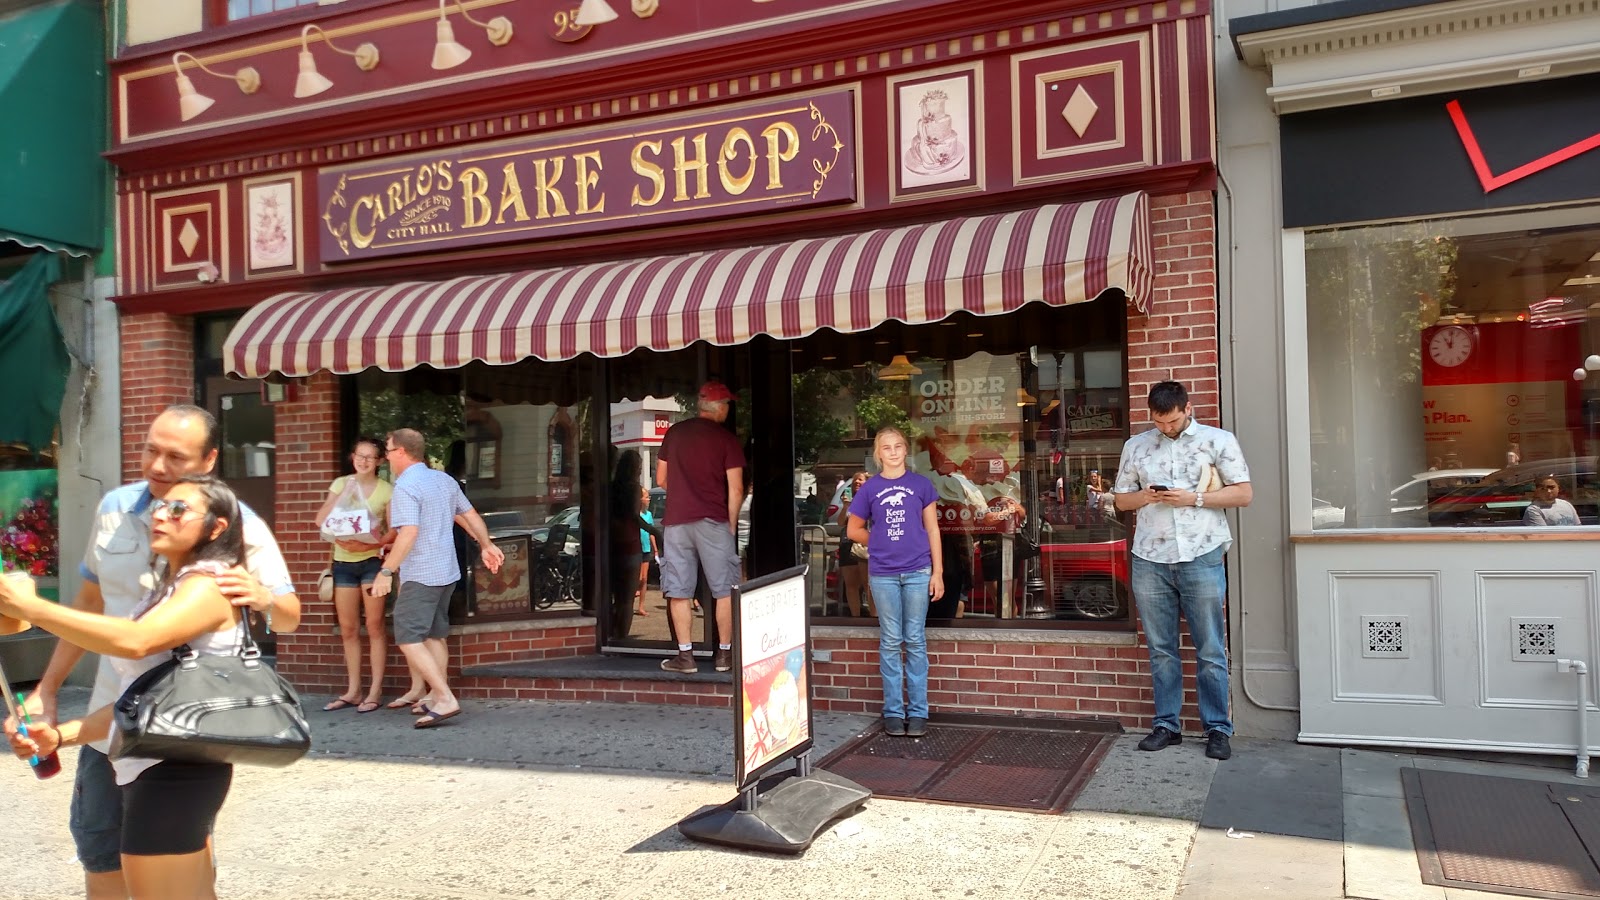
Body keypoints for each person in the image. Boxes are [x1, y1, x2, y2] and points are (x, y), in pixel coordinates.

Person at [1, 404, 297, 900]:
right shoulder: (124, 525)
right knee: (104, 857)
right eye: (149, 450)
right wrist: (53, 718)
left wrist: (31, 607)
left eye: (175, 458)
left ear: (208, 461)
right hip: (120, 725)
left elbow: (137, 641)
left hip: (177, 745)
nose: (157, 472)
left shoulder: (211, 575)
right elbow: (117, 652)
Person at [1113, 381, 1252, 761]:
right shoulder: (1136, 446)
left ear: (1187, 408)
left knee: (1209, 648)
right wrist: (1147, 496)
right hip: (1150, 557)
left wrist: (1195, 498)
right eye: (1159, 422)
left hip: (1201, 554)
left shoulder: (1217, 440)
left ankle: (1217, 729)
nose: (1167, 428)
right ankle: (1166, 725)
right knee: (1161, 649)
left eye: (1172, 421)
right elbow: (1121, 500)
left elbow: (1243, 494)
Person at [370, 429, 504, 728]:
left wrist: (386, 571)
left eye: (388, 450)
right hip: (446, 572)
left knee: (408, 637)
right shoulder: (443, 480)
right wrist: (486, 545)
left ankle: (443, 697)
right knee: (434, 635)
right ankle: (434, 695)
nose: (386, 456)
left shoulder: (405, 485)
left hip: (421, 574)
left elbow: (409, 533)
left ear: (402, 452)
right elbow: (469, 515)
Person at [846, 426, 944, 737]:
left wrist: (937, 573)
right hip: (884, 574)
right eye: (886, 447)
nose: (893, 452)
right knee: (890, 641)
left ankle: (917, 713)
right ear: (878, 454)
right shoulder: (870, 489)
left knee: (914, 640)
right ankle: (892, 711)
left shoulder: (921, 485)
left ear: (905, 450)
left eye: (898, 446)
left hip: (917, 572)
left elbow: (932, 531)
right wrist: (878, 541)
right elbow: (853, 530)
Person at [657, 380, 746, 674]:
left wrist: (683, 492)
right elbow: (736, 490)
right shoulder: (726, 440)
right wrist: (730, 526)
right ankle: (724, 655)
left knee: (679, 590)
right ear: (720, 408)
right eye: (728, 406)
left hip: (677, 522)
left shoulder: (674, 433)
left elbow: (660, 480)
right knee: (724, 589)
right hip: (713, 521)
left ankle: (685, 657)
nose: (728, 411)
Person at [314, 437, 394, 713]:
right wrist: (343, 496)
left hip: (372, 562)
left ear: (380, 461)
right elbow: (321, 519)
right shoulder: (341, 484)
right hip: (343, 563)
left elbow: (392, 532)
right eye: (360, 455)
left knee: (374, 626)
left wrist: (371, 543)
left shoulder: (386, 490)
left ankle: (375, 690)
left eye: (370, 457)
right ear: (353, 457)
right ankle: (353, 690)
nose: (364, 461)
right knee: (348, 628)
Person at [836, 471, 870, 616]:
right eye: (855, 480)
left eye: (860, 480)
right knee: (851, 585)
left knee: (868, 585)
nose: (857, 482)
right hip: (847, 544)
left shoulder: (872, 499)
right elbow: (840, 523)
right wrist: (845, 506)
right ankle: (855, 617)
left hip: (865, 545)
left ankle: (873, 617)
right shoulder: (849, 502)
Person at [635, 486, 659, 619]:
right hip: (636, 549)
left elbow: (651, 533)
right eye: (646, 497)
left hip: (646, 549)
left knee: (644, 579)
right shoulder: (635, 514)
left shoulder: (648, 515)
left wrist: (655, 549)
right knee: (637, 578)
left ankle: (641, 606)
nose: (648, 499)